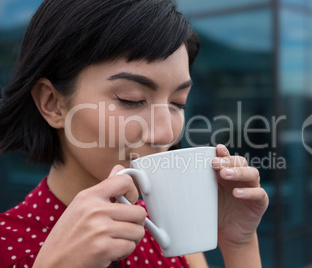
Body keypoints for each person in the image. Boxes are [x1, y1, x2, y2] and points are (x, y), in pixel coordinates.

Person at [0, 0, 269, 267]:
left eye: (178, 103)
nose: (166, 134)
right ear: (52, 103)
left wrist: (239, 244)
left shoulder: (166, 229)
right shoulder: (8, 245)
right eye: (132, 99)